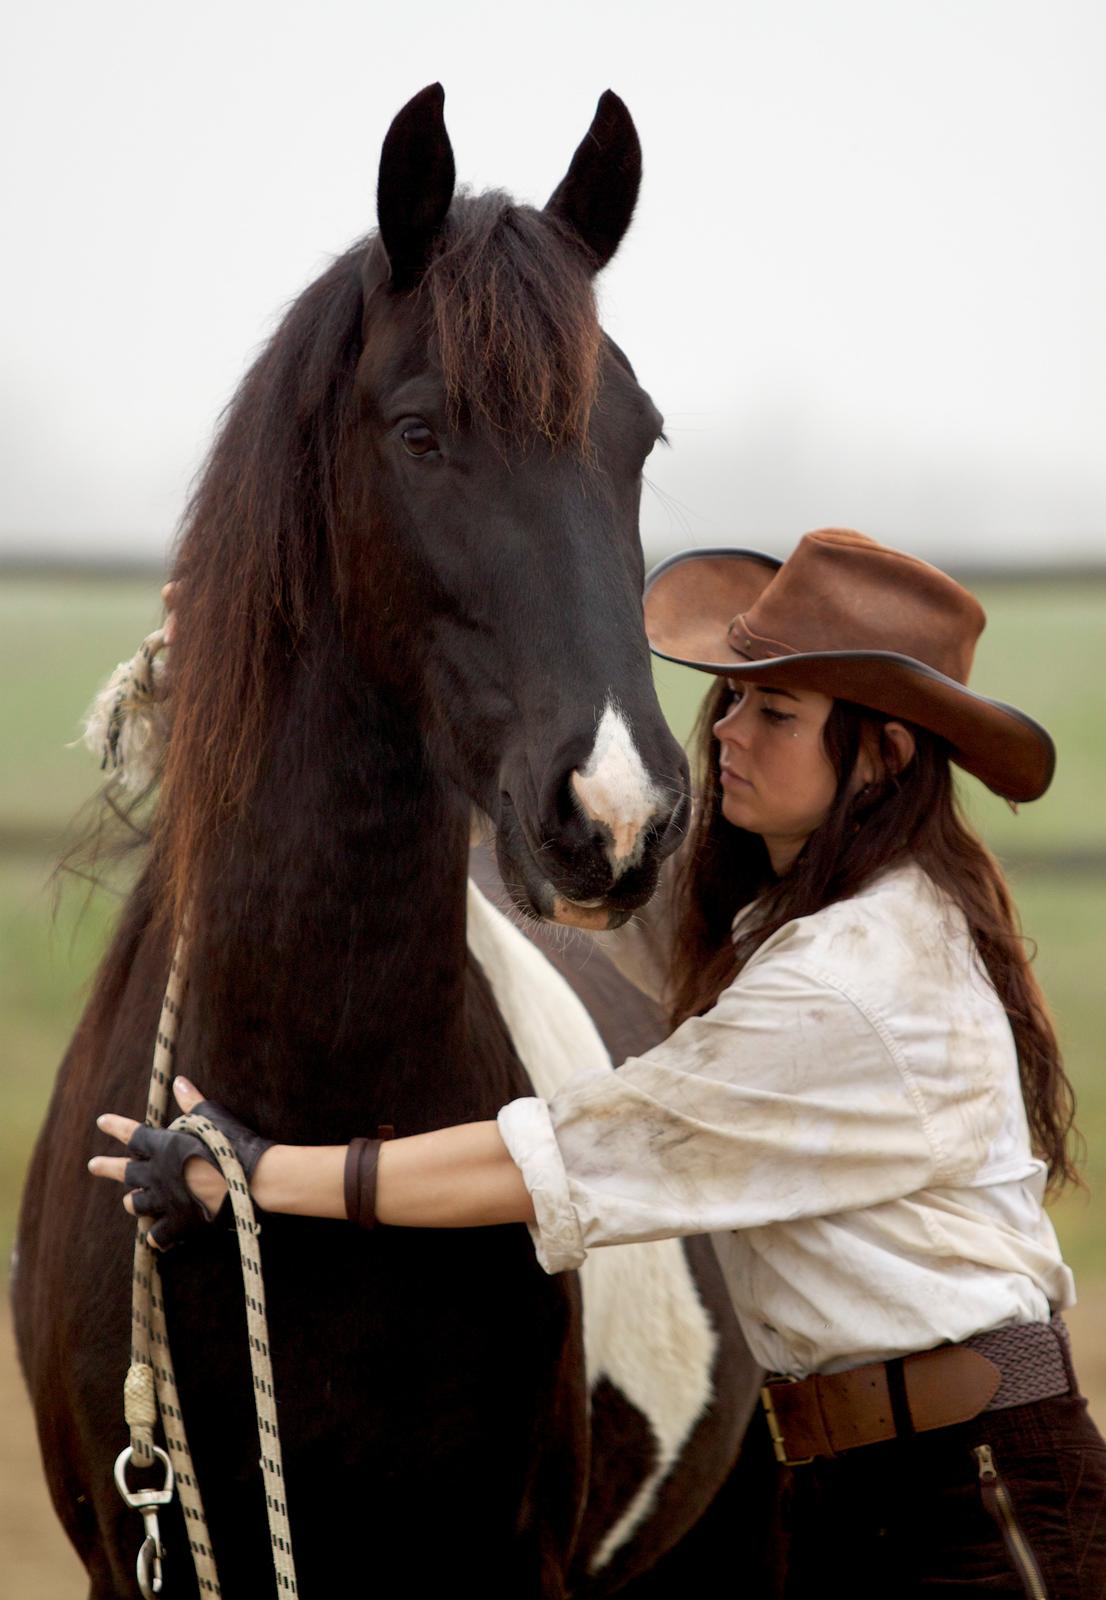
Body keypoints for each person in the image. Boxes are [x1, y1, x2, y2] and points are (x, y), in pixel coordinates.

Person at [90, 528, 1106, 1595]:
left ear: (886, 754)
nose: (727, 736)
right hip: (870, 1486)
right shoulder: (802, 925)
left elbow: (558, 1161)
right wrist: (266, 679)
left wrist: (257, 1176)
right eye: (729, 702)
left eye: (776, 713)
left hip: (969, 1502)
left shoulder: (850, 980)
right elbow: (594, 879)